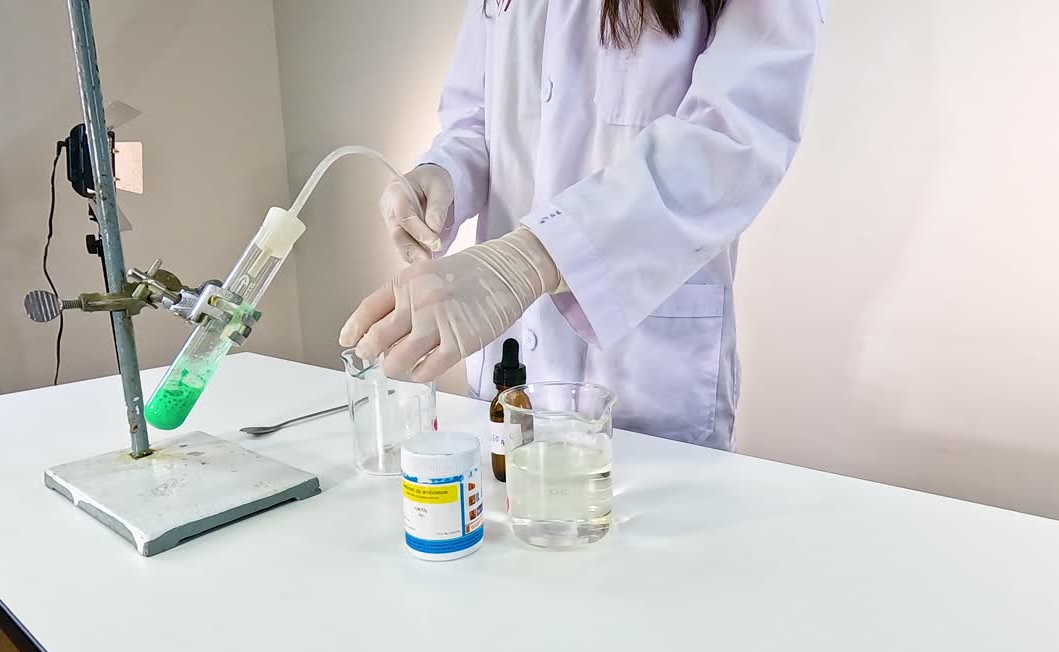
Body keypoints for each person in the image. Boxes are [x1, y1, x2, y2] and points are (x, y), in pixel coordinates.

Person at [339, 0, 824, 450]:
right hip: (510, 376)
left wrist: (533, 259)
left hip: (642, 384)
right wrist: (443, 173)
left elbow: (731, 143)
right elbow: (478, 116)